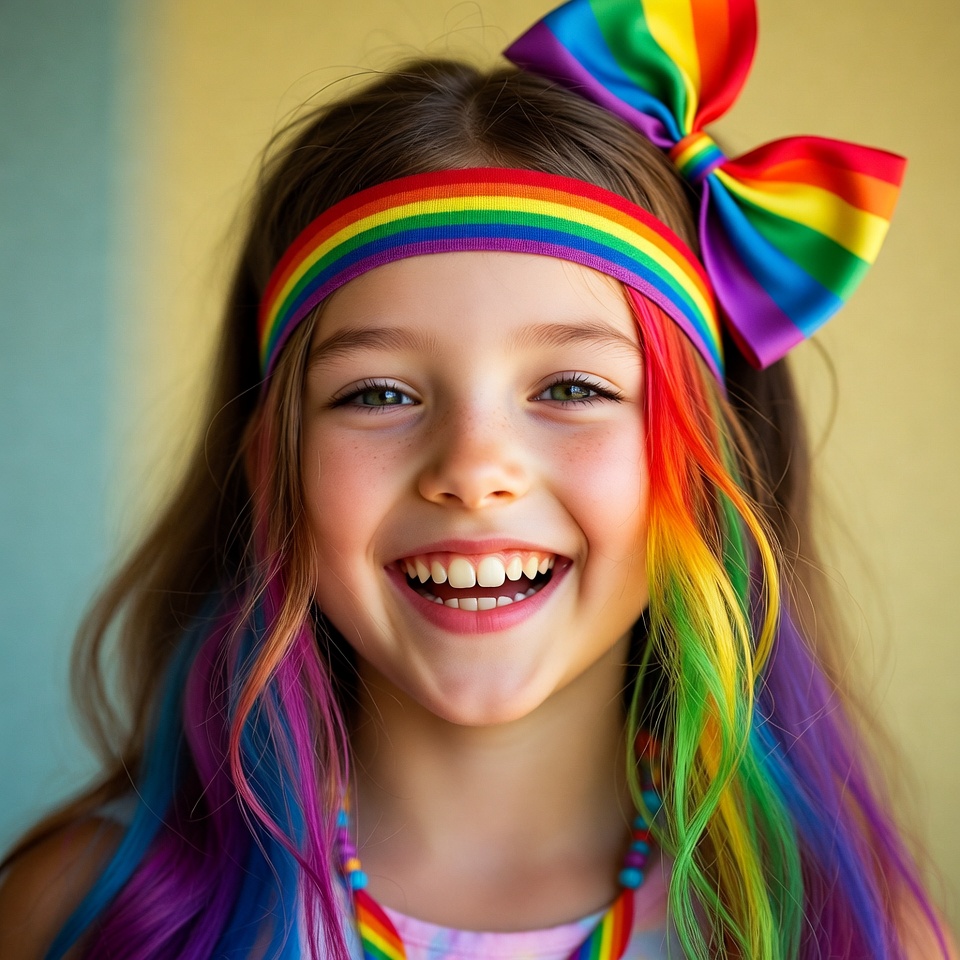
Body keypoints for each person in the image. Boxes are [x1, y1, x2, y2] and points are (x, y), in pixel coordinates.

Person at [0, 0, 954, 958]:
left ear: (710, 463)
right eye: (376, 394)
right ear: (270, 466)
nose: (472, 471)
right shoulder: (75, 915)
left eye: (573, 386)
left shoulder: (860, 935)